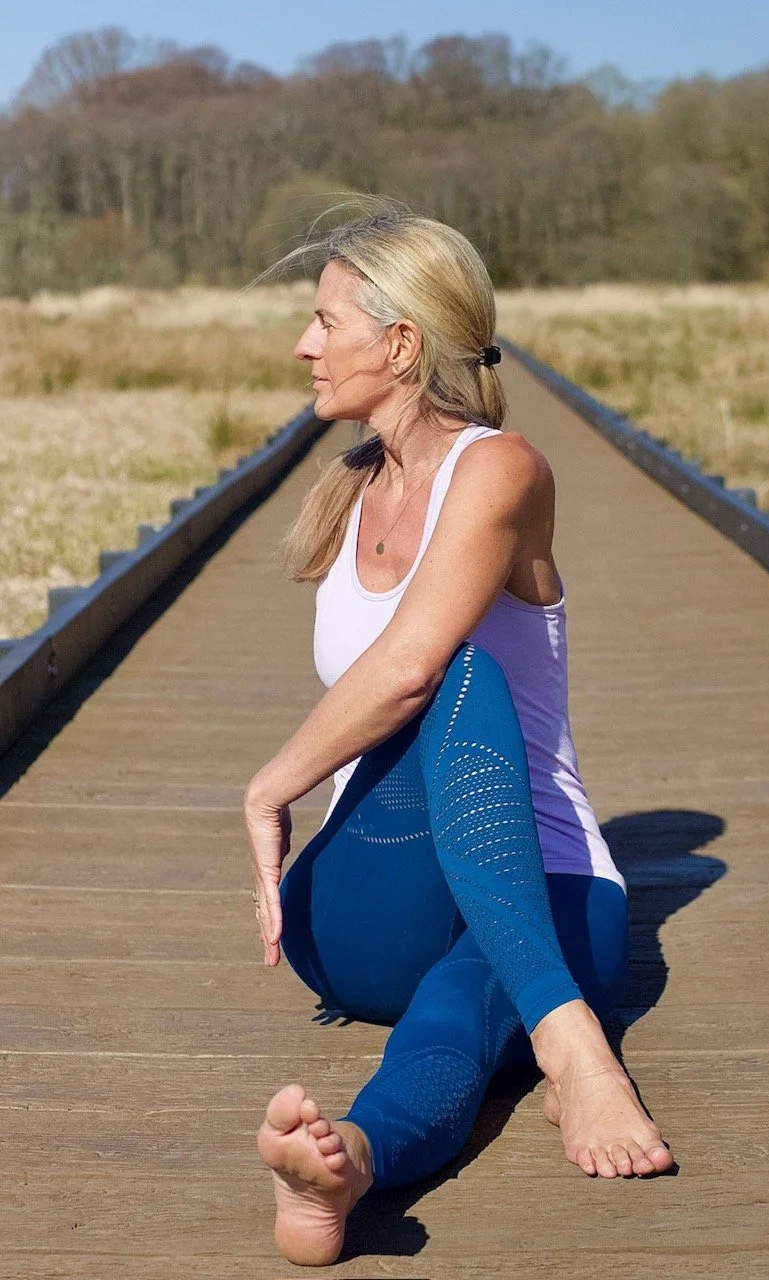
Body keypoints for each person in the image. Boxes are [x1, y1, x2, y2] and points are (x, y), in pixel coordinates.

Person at [242, 202, 674, 1267]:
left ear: (399, 343)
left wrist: (266, 787)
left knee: (465, 1000)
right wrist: (279, 790)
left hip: (547, 888)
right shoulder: (346, 491)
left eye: (322, 320)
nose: (302, 345)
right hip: (359, 909)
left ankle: (347, 1162)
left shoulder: (504, 469)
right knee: (453, 676)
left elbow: (406, 668)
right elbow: (401, 681)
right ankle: (573, 1040)